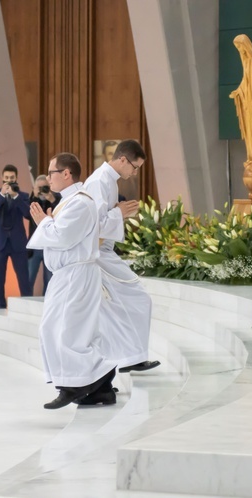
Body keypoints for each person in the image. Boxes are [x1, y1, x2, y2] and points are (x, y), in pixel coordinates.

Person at [27, 152, 117, 409]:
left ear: (67, 174)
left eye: (51, 172)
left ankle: (75, 386)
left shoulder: (80, 202)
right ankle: (99, 387)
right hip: (68, 275)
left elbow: (62, 236)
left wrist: (43, 223)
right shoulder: (69, 201)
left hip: (76, 275)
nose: (47, 178)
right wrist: (47, 222)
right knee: (62, 330)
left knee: (65, 331)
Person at [84, 139, 160, 373]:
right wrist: (120, 212)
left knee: (127, 304)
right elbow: (92, 224)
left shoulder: (109, 181)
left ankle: (130, 357)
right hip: (96, 253)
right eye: (134, 167)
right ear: (122, 159)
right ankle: (128, 358)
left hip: (104, 251)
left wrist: (119, 213)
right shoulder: (98, 181)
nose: (135, 173)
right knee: (136, 299)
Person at [0, 164, 32, 309]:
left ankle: (27, 308)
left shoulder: (23, 196)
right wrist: (2, 194)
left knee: (23, 279)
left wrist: (15, 196)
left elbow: (27, 214)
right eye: (6, 178)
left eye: (12, 178)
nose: (8, 180)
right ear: (2, 178)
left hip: (17, 242)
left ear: (16, 178)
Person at [28, 175, 61, 295]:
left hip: (49, 244)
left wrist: (51, 199)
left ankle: (46, 301)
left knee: (49, 279)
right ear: (34, 188)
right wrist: (34, 196)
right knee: (29, 276)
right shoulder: (32, 200)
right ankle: (26, 304)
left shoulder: (56, 199)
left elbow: (61, 212)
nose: (42, 190)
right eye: (39, 187)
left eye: (45, 187)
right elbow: (27, 215)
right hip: (35, 247)